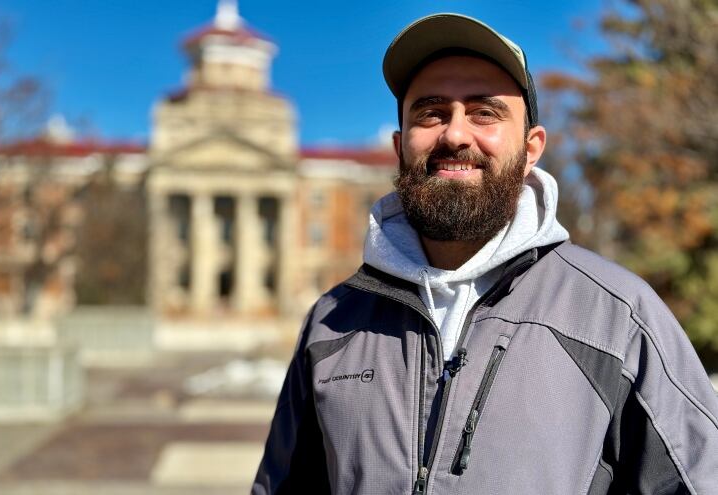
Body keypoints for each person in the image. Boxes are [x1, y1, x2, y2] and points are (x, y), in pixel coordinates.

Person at [253, 13, 718, 495]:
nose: (455, 134)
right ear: (399, 146)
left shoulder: (617, 316)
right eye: (431, 112)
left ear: (531, 148)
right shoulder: (333, 322)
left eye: (485, 112)